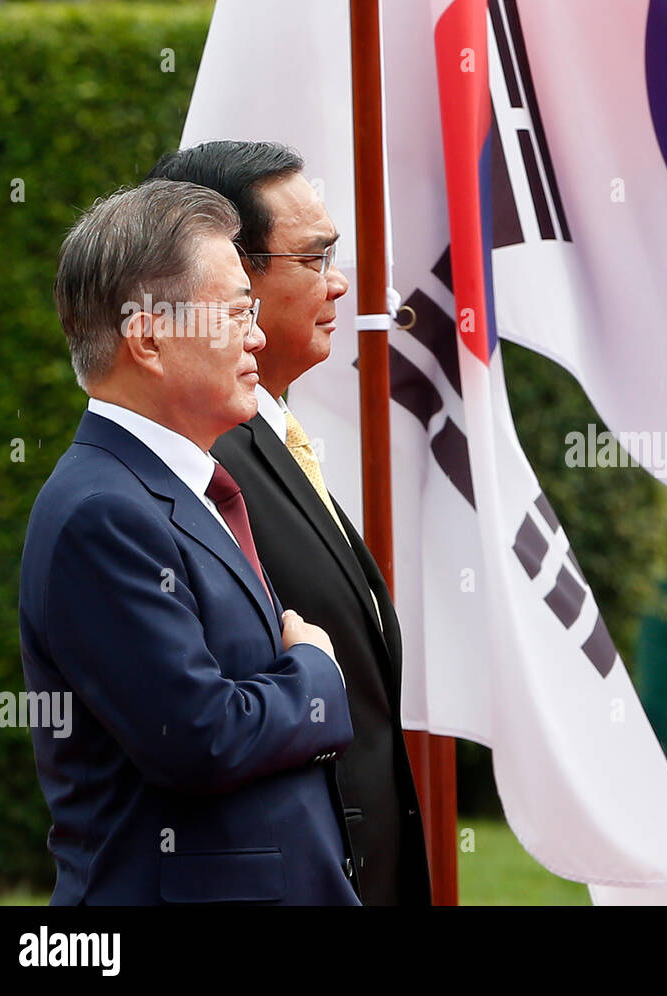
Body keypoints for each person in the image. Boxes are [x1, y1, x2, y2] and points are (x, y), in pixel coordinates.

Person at [19, 180, 360, 905]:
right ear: (146, 337)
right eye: (237, 313)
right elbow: (199, 737)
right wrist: (316, 673)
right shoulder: (101, 512)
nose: (258, 337)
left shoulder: (174, 488)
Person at [147, 142, 431, 906]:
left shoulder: (265, 433)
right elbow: (203, 725)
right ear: (226, 272)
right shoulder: (196, 462)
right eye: (314, 259)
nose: (339, 283)